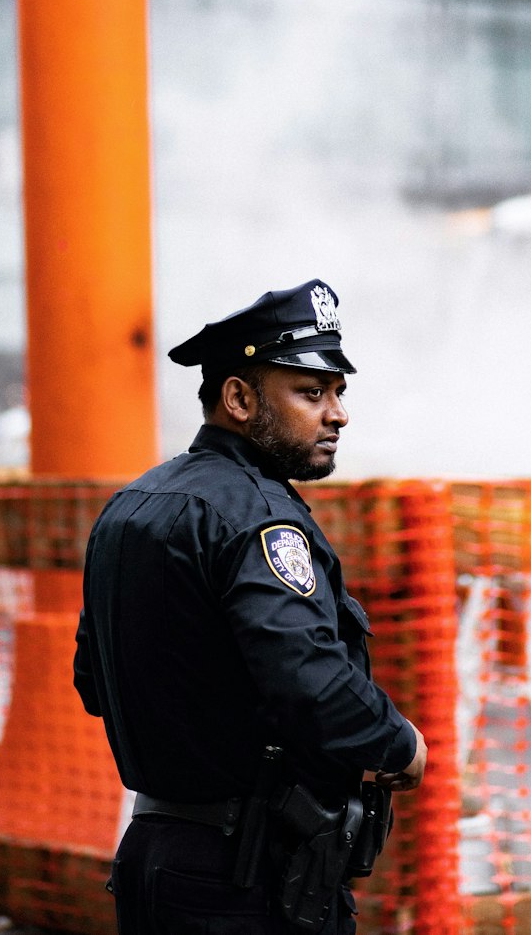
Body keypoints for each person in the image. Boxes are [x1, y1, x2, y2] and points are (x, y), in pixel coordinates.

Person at [73, 280, 427, 934]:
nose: (338, 414)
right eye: (311, 392)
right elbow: (312, 683)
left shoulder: (129, 506)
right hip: (248, 878)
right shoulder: (261, 517)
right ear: (238, 398)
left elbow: (93, 683)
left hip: (155, 861)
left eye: (338, 392)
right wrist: (400, 743)